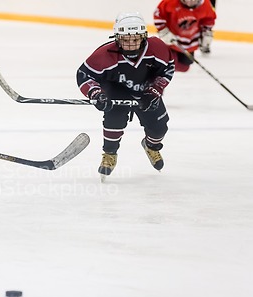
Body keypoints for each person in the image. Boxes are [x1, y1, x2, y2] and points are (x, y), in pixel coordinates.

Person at [76, 12, 175, 181]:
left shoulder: (157, 48)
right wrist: (96, 94)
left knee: (159, 127)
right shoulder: (105, 55)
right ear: (116, 38)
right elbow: (84, 75)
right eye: (125, 39)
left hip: (146, 89)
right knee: (114, 120)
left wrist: (155, 90)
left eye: (135, 39)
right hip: (116, 90)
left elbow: (168, 69)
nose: (130, 44)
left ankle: (151, 146)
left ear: (144, 37)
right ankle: (109, 154)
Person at [154, 0, 216, 72]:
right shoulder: (170, 2)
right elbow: (159, 15)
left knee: (186, 65)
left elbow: (209, 20)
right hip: (171, 38)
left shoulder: (205, 5)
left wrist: (206, 33)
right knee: (169, 60)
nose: (189, 3)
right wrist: (163, 31)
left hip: (190, 40)